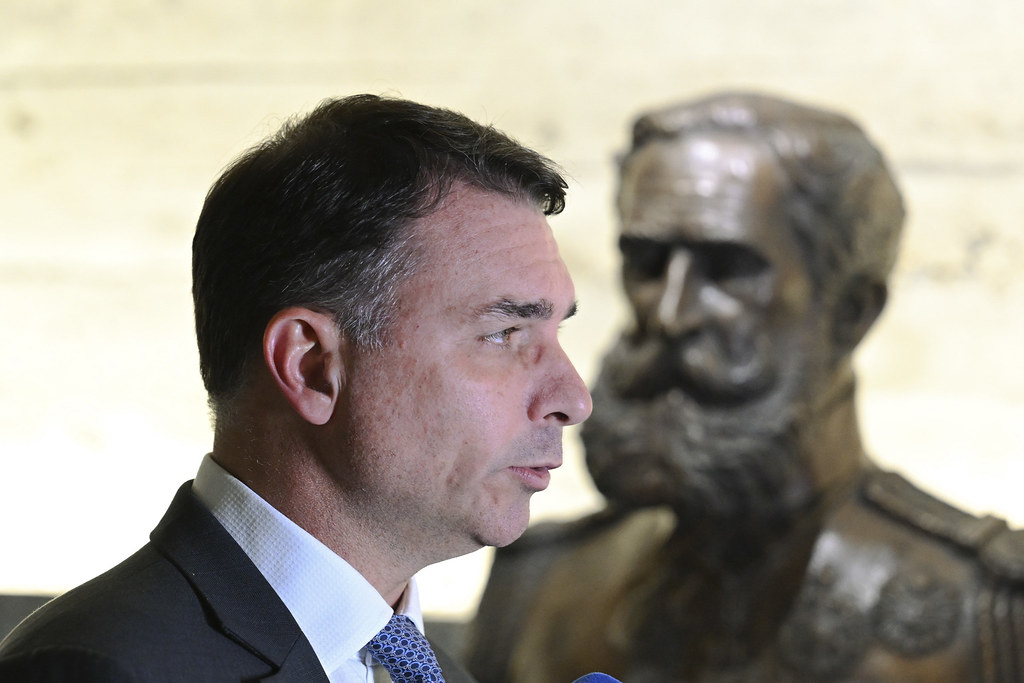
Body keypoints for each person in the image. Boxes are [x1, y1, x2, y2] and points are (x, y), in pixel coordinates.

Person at [0, 94, 593, 682]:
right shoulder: (98, 670)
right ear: (310, 366)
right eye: (504, 333)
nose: (573, 399)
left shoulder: (442, 676)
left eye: (557, 331)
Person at [466, 92, 1024, 682]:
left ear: (851, 310)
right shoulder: (537, 583)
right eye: (648, 264)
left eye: (728, 270)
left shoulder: (993, 614)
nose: (670, 314)